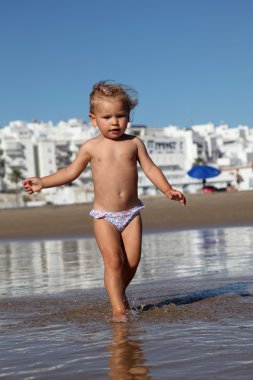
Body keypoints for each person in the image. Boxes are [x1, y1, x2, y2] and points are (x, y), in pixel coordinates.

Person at [23, 81, 186, 322]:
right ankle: (118, 310)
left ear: (128, 116)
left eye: (120, 116)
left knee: (131, 262)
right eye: (107, 117)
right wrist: (43, 182)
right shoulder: (91, 147)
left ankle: (117, 294)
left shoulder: (134, 143)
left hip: (131, 213)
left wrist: (167, 189)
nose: (114, 122)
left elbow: (150, 168)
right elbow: (70, 172)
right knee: (114, 261)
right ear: (93, 118)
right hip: (104, 216)